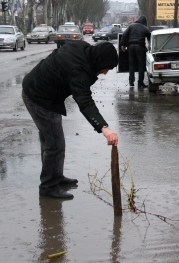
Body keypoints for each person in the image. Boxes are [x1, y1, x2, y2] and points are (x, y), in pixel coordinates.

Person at [22, 41, 119, 199]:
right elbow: (85, 102)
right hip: (38, 97)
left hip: (43, 92)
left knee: (51, 142)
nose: (106, 72)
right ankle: (48, 187)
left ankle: (55, 176)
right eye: (106, 68)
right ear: (100, 61)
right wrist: (104, 127)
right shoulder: (78, 70)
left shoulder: (82, 48)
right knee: (54, 145)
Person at [120, 15, 151, 88]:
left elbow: (124, 34)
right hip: (140, 47)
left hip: (130, 47)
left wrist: (122, 44)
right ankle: (140, 83)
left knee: (131, 64)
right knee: (141, 65)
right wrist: (150, 48)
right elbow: (150, 39)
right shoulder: (145, 28)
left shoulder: (131, 26)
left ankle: (131, 82)